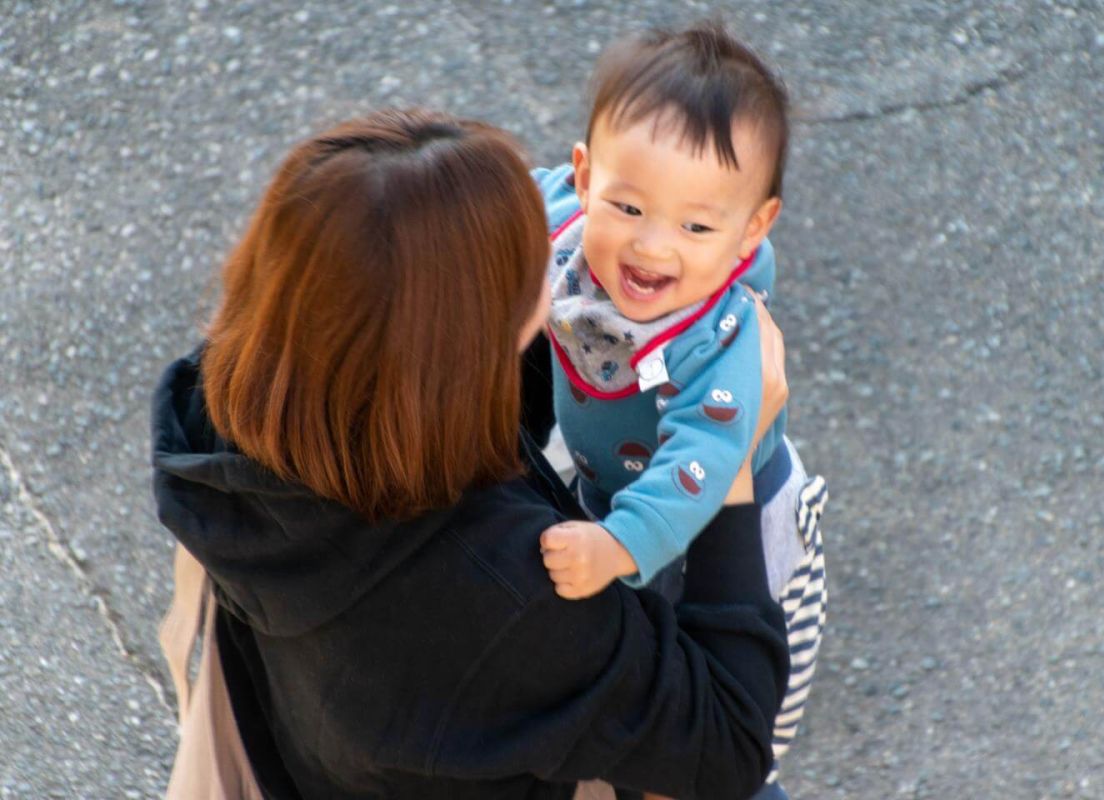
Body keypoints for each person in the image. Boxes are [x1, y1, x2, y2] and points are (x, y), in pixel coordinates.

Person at [152, 107, 793, 800]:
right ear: (461, 352)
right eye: (538, 263)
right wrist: (728, 463)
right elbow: (726, 747)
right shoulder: (512, 589)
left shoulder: (232, 402)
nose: (559, 272)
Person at [531, 23, 828, 798]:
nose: (653, 248)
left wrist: (615, 548)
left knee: (691, 756)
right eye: (628, 206)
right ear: (585, 175)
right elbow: (498, 206)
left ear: (752, 229)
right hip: (614, 483)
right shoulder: (564, 218)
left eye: (697, 226)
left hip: (719, 534)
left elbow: (697, 473)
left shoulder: (718, 337)